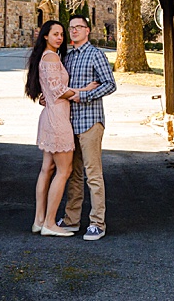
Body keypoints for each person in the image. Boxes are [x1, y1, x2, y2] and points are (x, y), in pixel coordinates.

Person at [58, 14, 116, 241]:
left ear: (87, 30)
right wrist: (76, 91)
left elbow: (110, 84)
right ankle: (72, 220)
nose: (74, 31)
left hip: (91, 122)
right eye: (71, 28)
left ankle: (97, 223)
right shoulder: (68, 57)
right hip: (69, 123)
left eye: (79, 27)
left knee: (93, 175)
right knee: (73, 174)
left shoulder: (96, 54)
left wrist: (84, 95)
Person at [25, 20, 82, 236]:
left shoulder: (47, 56)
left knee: (47, 169)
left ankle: (39, 220)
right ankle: (50, 223)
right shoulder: (50, 57)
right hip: (57, 118)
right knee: (64, 170)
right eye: (55, 34)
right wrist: (83, 90)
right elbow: (58, 90)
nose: (59, 37)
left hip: (50, 115)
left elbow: (50, 89)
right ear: (45, 36)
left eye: (61, 34)